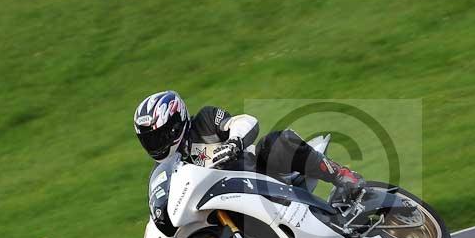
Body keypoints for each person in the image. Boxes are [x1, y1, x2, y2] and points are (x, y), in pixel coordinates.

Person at [133, 90, 366, 200]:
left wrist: (234, 141)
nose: (155, 145)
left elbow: (244, 122)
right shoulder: (163, 172)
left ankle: (342, 175)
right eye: (149, 140)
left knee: (275, 141)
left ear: (175, 124)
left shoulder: (203, 121)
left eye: (158, 136)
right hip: (223, 203)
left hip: (261, 176)